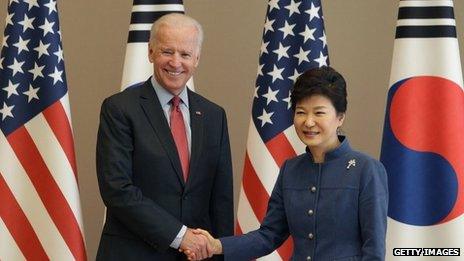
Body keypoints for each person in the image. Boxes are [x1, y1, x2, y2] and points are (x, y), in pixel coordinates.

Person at [185, 66, 388, 260]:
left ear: (340, 117)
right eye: (301, 112)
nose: (308, 122)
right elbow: (268, 235)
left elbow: (374, 250)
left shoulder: (366, 170)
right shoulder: (291, 169)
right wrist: (216, 245)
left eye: (319, 113)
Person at [96, 13, 234, 260]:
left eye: (185, 54)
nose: (176, 62)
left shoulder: (214, 115)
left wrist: (219, 253)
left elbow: (220, 199)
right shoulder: (120, 108)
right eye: (167, 51)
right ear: (150, 53)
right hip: (133, 253)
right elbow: (117, 189)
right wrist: (181, 236)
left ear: (197, 59)